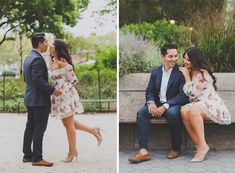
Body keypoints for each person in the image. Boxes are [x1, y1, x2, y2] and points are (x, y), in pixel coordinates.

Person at [128, 43, 188, 163]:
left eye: (176, 56)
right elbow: (149, 90)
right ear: (163, 57)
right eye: (170, 56)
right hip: (156, 103)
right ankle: (143, 151)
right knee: (141, 113)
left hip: (172, 104)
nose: (174, 59)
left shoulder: (181, 72)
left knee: (172, 113)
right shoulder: (155, 71)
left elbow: (183, 96)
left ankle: (176, 148)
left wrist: (165, 106)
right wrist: (150, 103)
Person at [49, 39, 102, 162]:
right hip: (57, 98)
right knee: (68, 123)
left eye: (52, 45)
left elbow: (74, 80)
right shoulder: (53, 62)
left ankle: (72, 152)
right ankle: (93, 130)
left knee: (69, 125)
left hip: (66, 96)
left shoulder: (63, 63)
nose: (50, 46)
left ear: (57, 48)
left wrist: (62, 90)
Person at [179, 47, 231, 162]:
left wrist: (186, 76)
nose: (185, 62)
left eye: (188, 59)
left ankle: (203, 146)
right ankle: (198, 146)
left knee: (193, 110)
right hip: (198, 104)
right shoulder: (189, 71)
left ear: (195, 60)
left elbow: (191, 93)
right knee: (183, 111)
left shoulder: (203, 73)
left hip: (212, 104)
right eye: (184, 59)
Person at [22, 33, 61, 167]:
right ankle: (37, 158)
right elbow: (38, 79)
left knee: (30, 127)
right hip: (39, 100)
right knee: (39, 128)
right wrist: (52, 90)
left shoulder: (28, 57)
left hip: (30, 98)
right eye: (45, 42)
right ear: (39, 43)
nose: (47, 44)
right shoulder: (37, 59)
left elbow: (26, 79)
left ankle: (27, 155)